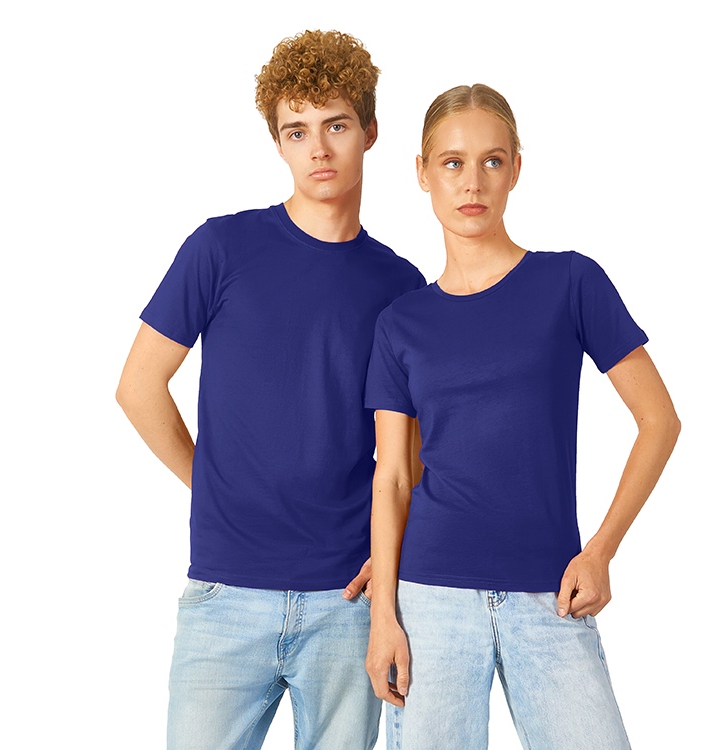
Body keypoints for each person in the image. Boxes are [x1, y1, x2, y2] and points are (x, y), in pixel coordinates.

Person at [116, 30, 425, 750]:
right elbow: (139, 385)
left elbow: (416, 449)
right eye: (297, 130)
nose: (318, 149)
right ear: (278, 144)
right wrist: (210, 482)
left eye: (336, 125)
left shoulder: (401, 286)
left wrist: (393, 554)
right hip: (225, 592)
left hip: (350, 599)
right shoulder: (221, 249)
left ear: (370, 131)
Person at [364, 83, 681, 749]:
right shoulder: (401, 322)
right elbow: (391, 478)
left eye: (492, 160)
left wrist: (600, 550)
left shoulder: (570, 283)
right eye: (452, 162)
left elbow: (659, 420)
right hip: (432, 594)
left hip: (551, 590)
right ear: (422, 172)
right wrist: (383, 616)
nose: (472, 182)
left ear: (515, 168)